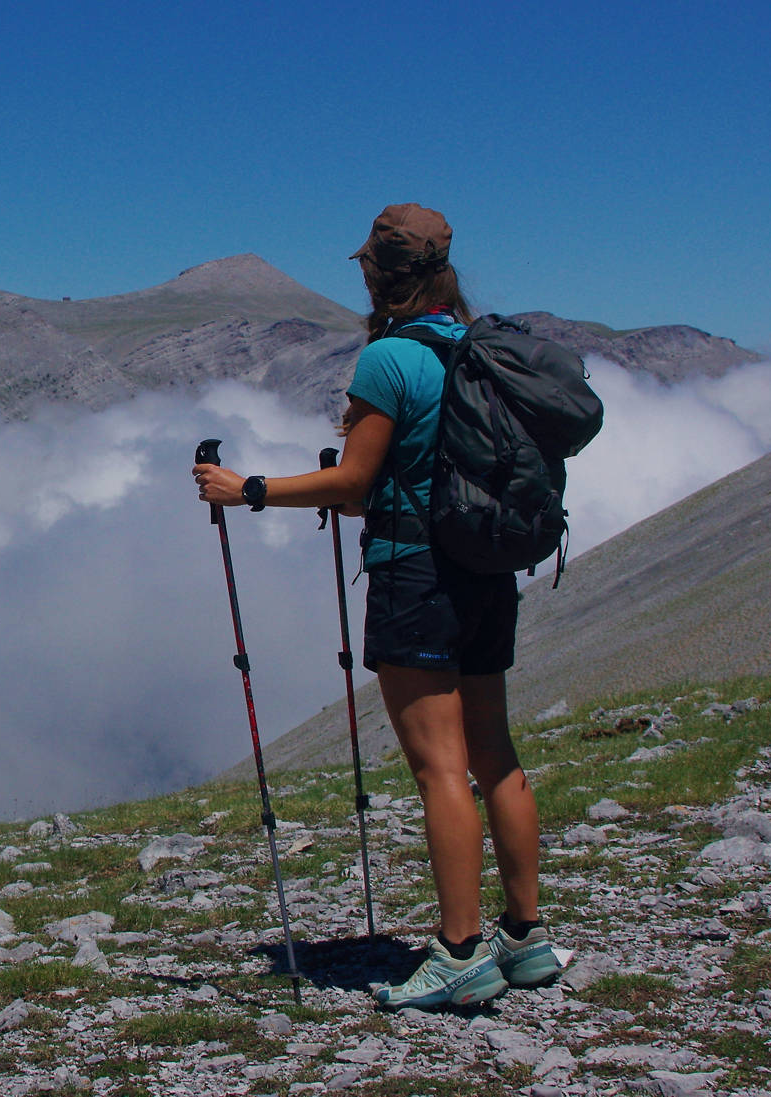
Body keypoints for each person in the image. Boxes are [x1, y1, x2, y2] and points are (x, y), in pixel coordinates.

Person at [192, 203, 562, 1010]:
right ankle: (527, 938)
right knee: (495, 752)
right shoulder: (475, 350)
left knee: (439, 769)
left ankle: (460, 951)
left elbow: (355, 487)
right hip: (487, 571)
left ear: (379, 272)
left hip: (415, 576)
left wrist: (246, 488)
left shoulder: (389, 360)